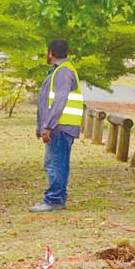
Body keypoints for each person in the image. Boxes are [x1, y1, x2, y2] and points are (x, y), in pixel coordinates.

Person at [31, 38, 84, 212]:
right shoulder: (59, 71)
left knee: (56, 163)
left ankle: (54, 200)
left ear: (50, 53)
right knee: (55, 162)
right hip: (60, 126)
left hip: (61, 127)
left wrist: (48, 126)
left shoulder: (63, 72)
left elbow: (59, 101)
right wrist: (41, 125)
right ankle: (56, 197)